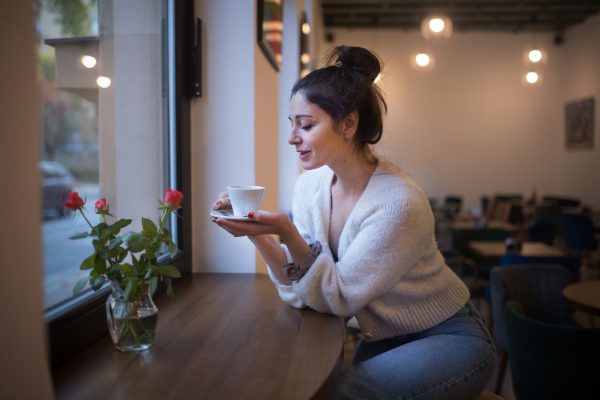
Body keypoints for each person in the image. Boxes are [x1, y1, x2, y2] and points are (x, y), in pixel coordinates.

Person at [211, 46, 496, 400]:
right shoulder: (310, 186)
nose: (292, 137)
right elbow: (303, 290)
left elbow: (337, 297)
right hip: (385, 336)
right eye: (292, 125)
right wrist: (261, 235)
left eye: (306, 125)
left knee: (346, 393)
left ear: (348, 124)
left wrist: (285, 230)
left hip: (448, 338)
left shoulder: (398, 202)